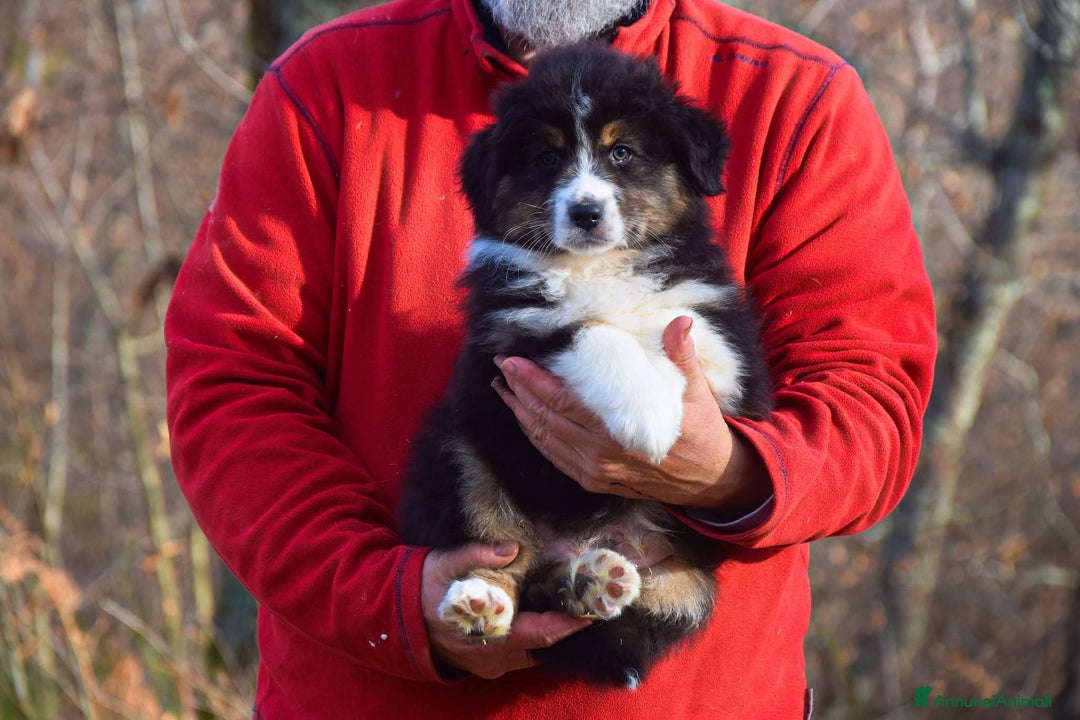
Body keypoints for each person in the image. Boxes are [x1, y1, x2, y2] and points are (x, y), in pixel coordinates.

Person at [164, 0, 936, 717]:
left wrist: (727, 473)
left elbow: (872, 401)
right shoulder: (327, 85)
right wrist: (389, 600)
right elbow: (233, 386)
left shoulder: (798, 99)